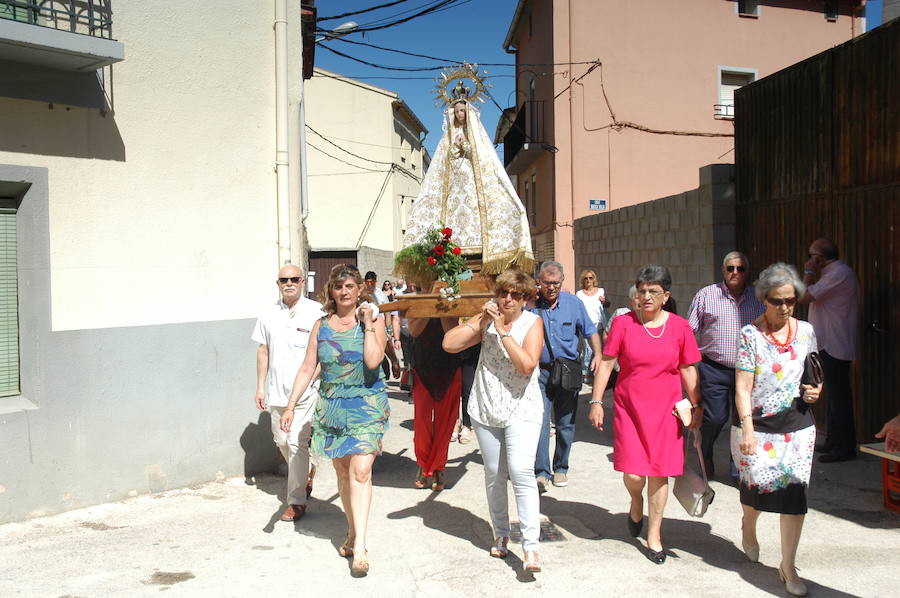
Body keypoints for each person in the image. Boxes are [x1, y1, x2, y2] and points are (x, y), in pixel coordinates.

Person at [280, 264, 390, 577]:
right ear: (331, 291)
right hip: (332, 407)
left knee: (361, 470)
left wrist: (368, 324)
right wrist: (290, 406)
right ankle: (353, 531)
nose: (344, 292)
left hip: (367, 404)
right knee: (343, 473)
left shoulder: (374, 321)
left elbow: (372, 360)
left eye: (350, 287)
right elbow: (306, 368)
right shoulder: (321, 326)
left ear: (360, 290)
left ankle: (362, 546)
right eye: (339, 287)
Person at [587, 265, 702, 565]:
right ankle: (636, 501)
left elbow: (688, 369)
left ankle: (654, 534)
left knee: (659, 473)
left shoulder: (679, 327)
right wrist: (596, 401)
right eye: (642, 291)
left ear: (666, 295)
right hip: (629, 410)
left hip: (667, 412)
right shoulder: (624, 324)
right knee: (634, 474)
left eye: (653, 291)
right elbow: (608, 363)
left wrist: (696, 404)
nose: (646, 296)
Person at [443, 269, 545, 573]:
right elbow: (449, 344)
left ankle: (531, 547)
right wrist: (480, 320)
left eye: (515, 295)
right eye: (503, 293)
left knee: (521, 471)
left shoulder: (532, 322)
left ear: (526, 298)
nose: (508, 299)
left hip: (521, 408)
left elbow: (527, 365)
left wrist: (502, 331)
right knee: (494, 473)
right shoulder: (487, 319)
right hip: (487, 405)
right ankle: (500, 533)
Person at [731, 263, 822, 596]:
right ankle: (749, 525)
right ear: (763, 300)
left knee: (794, 498)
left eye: (791, 301)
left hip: (798, 425)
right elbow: (742, 387)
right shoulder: (749, 335)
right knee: (755, 495)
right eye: (777, 301)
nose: (784, 308)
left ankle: (787, 566)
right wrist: (748, 430)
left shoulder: (807, 331)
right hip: (759, 425)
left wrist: (816, 392)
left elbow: (814, 372)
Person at [402, 95, 533, 274]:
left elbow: (485, 159)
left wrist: (467, 147)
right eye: (456, 112)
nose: (459, 114)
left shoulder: (478, 135)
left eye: (462, 111)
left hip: (473, 181)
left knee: (479, 209)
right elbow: (440, 163)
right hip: (455, 183)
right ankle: (450, 249)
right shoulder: (447, 136)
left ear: (468, 112)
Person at [252, 265, 324, 521]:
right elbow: (263, 351)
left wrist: (311, 383)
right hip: (277, 392)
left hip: (305, 393)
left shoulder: (316, 312)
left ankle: (296, 500)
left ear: (303, 281)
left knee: (296, 442)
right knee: (282, 441)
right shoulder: (269, 313)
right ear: (278, 283)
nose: (289, 283)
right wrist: (261, 386)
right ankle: (307, 470)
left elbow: (321, 356)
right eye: (284, 280)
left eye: (294, 279)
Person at [687, 251, 765, 477]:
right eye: (730, 268)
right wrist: (690, 363)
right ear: (723, 270)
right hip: (714, 367)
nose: (735, 273)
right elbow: (689, 330)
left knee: (743, 418)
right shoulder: (706, 295)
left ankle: (737, 468)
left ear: (747, 272)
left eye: (740, 269)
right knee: (715, 417)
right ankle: (706, 452)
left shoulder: (757, 297)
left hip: (748, 370)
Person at [530, 261, 601, 491]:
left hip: (568, 371)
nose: (551, 288)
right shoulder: (531, 305)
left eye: (555, 283)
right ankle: (541, 472)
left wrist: (598, 354)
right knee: (539, 423)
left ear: (562, 281)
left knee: (565, 422)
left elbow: (590, 331)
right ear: (538, 282)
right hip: (539, 372)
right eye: (546, 283)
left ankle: (561, 468)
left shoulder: (574, 303)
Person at [799, 239, 860, 463]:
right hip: (827, 343)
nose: (809, 259)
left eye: (811, 255)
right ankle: (835, 440)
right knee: (833, 396)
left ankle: (845, 447)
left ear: (819, 258)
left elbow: (803, 295)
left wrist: (807, 272)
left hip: (835, 344)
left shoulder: (838, 274)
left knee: (839, 397)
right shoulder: (831, 274)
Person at [408, 317, 461, 491]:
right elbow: (414, 331)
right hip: (422, 364)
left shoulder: (452, 296)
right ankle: (423, 464)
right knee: (422, 421)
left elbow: (451, 332)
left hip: (449, 365)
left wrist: (443, 306)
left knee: (445, 422)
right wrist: (427, 307)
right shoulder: (417, 299)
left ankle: (438, 467)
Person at [364, 271, 401, 380]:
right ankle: (381, 373)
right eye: (368, 282)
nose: (370, 284)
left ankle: (394, 361)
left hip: (381, 325)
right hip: (367, 326)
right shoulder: (362, 294)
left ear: (376, 281)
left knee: (387, 348)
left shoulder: (381, 295)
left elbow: (387, 313)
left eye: (373, 282)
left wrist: (389, 329)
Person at [576, 269, 608, 383]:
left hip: (599, 324)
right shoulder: (579, 294)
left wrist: (605, 301)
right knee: (588, 350)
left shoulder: (601, 291)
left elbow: (607, 305)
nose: (588, 280)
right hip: (586, 326)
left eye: (590, 278)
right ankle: (586, 374)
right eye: (586, 278)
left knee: (600, 350)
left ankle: (598, 373)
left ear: (594, 279)